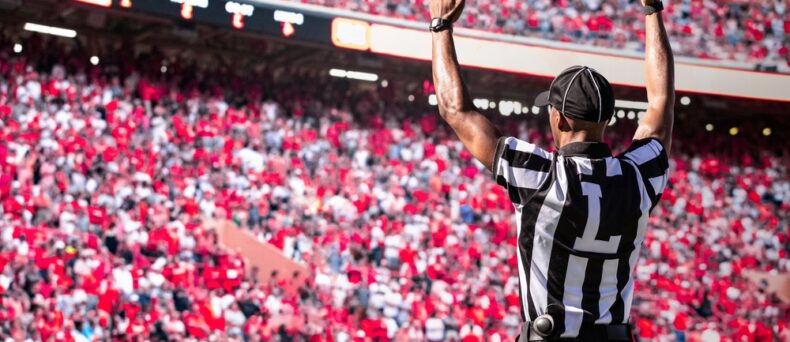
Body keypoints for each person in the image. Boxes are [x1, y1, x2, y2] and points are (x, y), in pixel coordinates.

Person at [429, 0, 675, 339]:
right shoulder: (638, 176)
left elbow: (455, 110)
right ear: (607, 119)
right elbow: (661, 103)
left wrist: (440, 26)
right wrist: (654, 11)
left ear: (559, 119)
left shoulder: (540, 175)